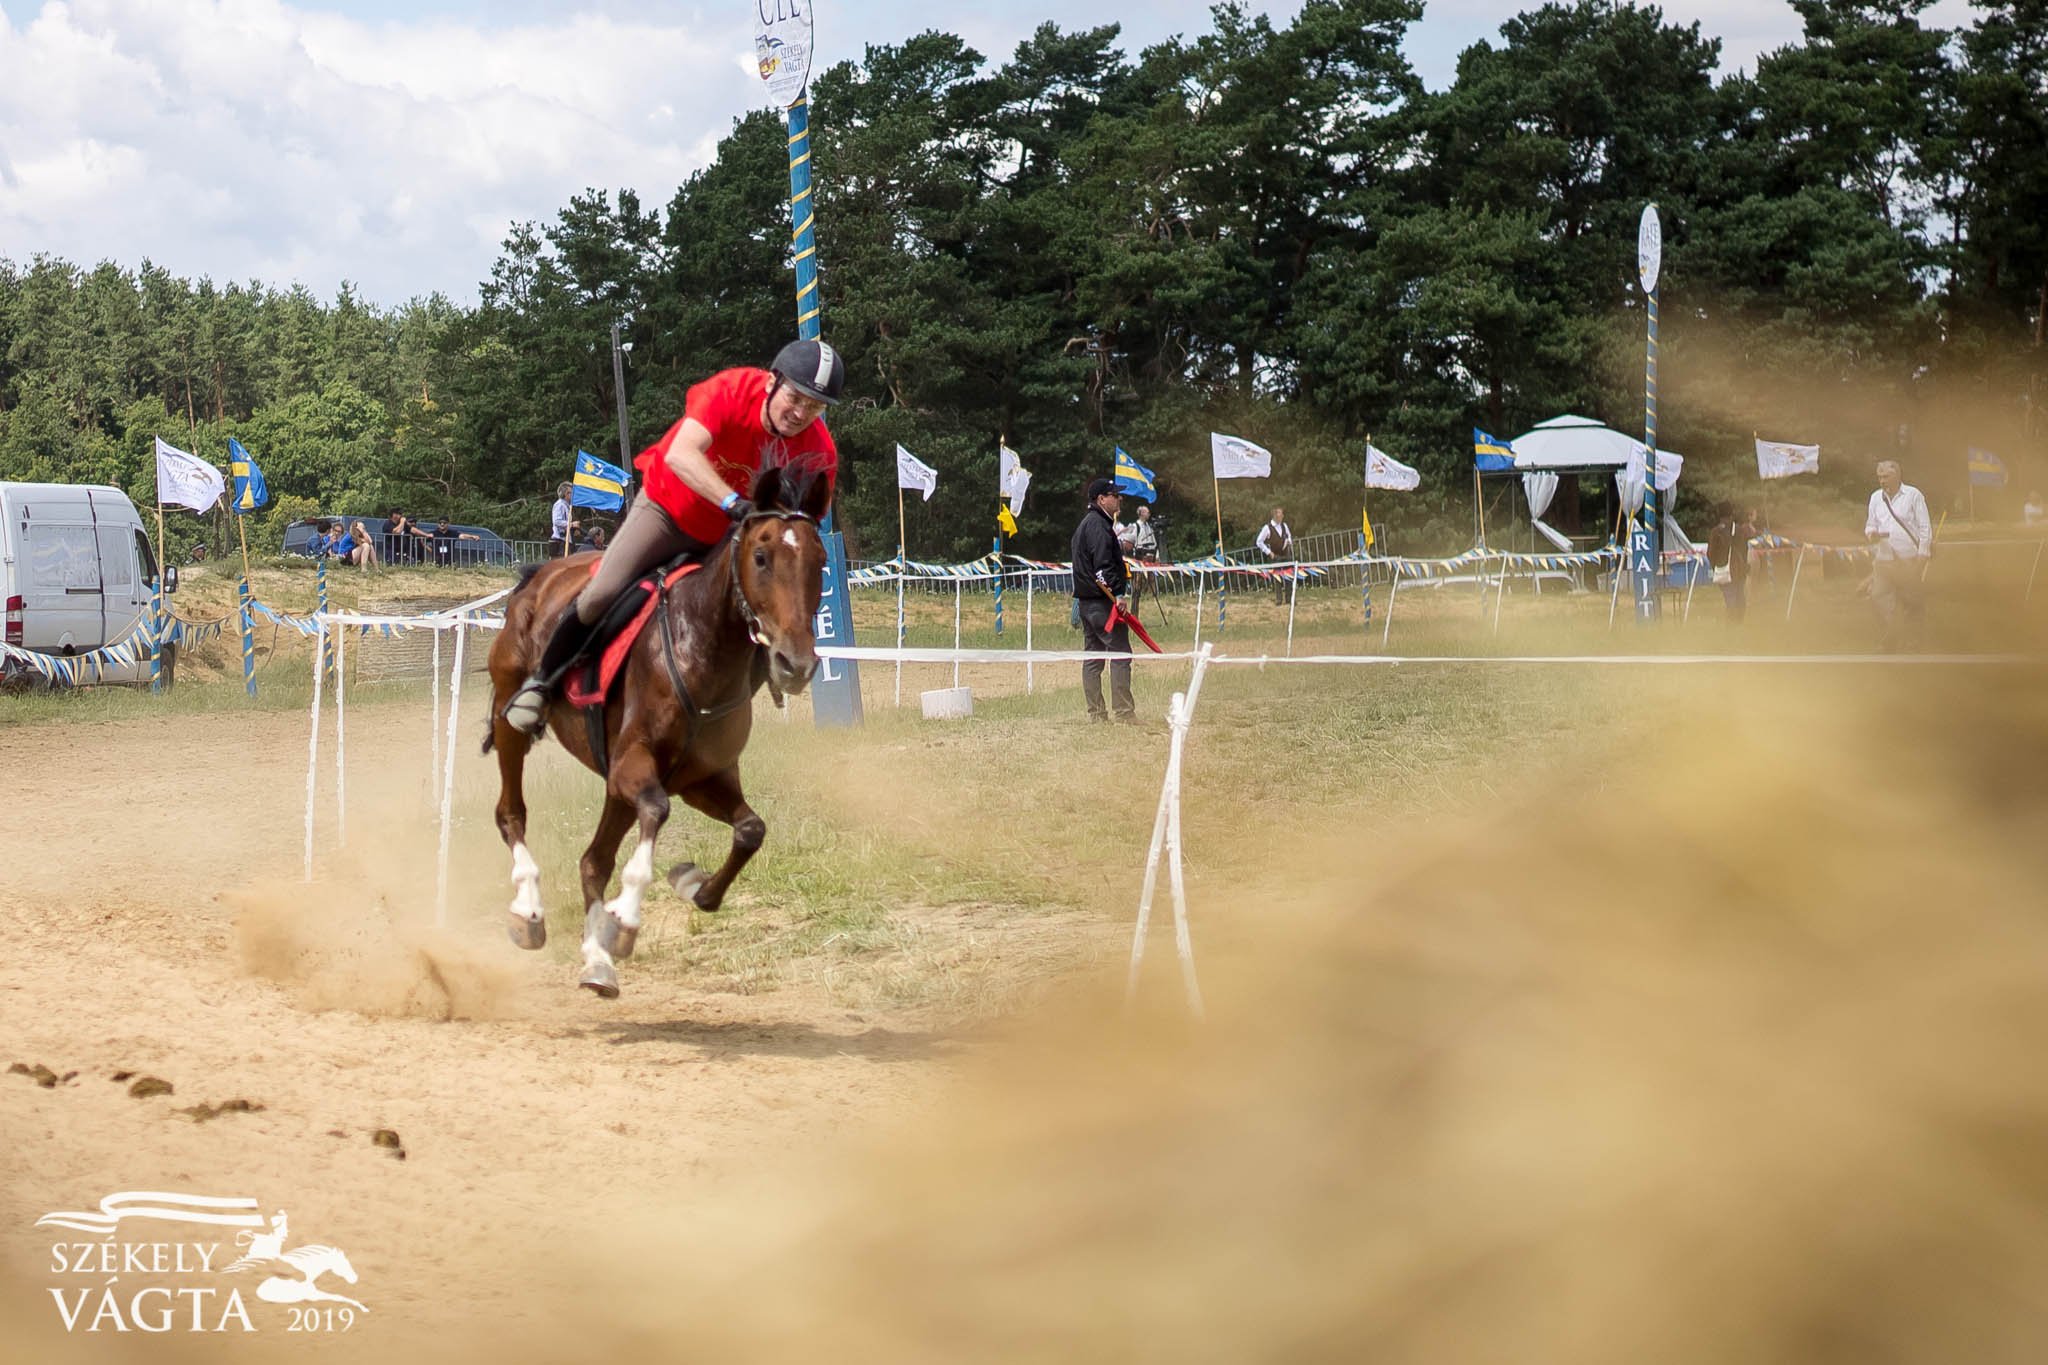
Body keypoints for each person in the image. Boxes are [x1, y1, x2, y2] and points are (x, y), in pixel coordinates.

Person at [501, 338, 845, 734]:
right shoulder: (730, 391)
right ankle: (541, 684)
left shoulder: (820, 452)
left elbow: (802, 529)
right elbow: (681, 453)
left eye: (815, 406)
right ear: (772, 382)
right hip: (669, 510)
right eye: (795, 398)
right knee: (603, 591)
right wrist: (732, 502)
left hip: (731, 538)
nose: (801, 413)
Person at [1071, 477, 1135, 725]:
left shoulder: (1087, 524)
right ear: (1101, 499)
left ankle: (1097, 715)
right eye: (1114, 495)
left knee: (1093, 657)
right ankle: (1124, 713)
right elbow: (1102, 567)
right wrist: (1118, 595)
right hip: (1102, 602)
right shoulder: (1098, 526)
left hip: (1088, 603)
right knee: (1120, 654)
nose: (1119, 499)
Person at [1864, 459, 1932, 651]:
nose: (1882, 481)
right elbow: (1870, 524)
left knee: (1912, 602)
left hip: (1908, 559)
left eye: (1886, 477)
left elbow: (1925, 527)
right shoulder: (1876, 497)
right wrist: (1871, 534)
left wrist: (1923, 555)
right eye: (1879, 477)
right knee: (1878, 598)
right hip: (1883, 560)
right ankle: (1890, 638)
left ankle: (1913, 640)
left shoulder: (1913, 495)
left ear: (1897, 475)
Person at [1705, 504, 1757, 623]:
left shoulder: (1716, 532)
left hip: (1725, 570)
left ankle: (1732, 626)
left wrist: (1716, 567)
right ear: (1731, 514)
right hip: (1740, 570)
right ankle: (1739, 623)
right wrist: (1744, 564)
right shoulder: (1739, 530)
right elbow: (1745, 550)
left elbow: (1710, 553)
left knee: (1730, 600)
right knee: (1740, 598)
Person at [1256, 505, 1293, 604]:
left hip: (1286, 555)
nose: (1282, 516)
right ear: (1275, 515)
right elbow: (1259, 542)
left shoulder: (1284, 525)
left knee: (1289, 576)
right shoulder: (1267, 528)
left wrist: (1289, 541)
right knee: (1277, 578)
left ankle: (1289, 599)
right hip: (1275, 556)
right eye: (1280, 513)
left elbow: (1289, 536)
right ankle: (1279, 599)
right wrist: (1268, 552)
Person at [549, 483, 578, 552]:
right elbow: (556, 521)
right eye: (571, 493)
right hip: (561, 542)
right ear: (566, 494)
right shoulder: (560, 505)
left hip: (565, 541)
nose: (573, 495)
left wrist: (573, 529)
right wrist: (572, 524)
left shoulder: (566, 505)